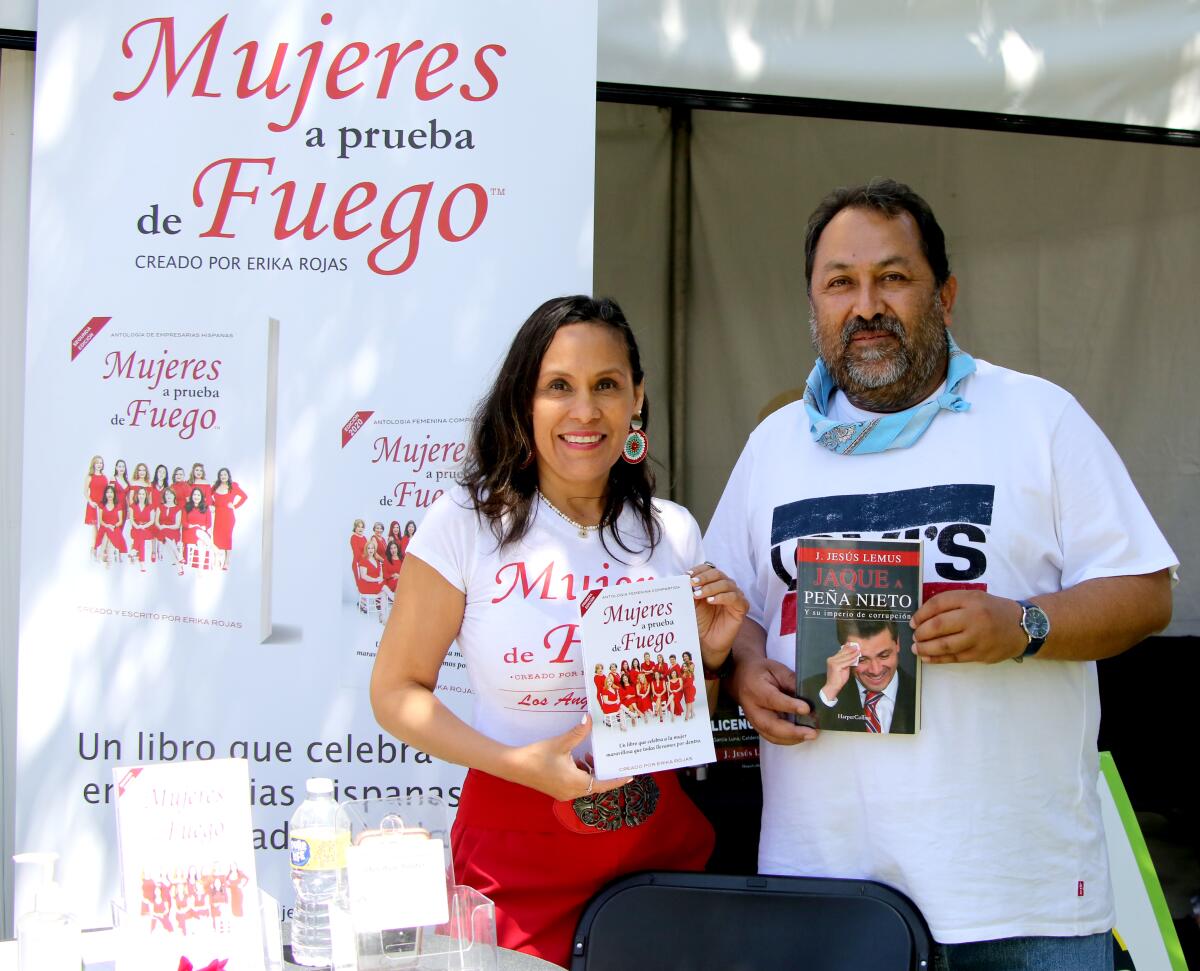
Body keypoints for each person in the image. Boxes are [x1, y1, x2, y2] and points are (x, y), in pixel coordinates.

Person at [703, 179, 1177, 971]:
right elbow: (735, 607)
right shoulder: (775, 446)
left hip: (1016, 896)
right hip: (825, 888)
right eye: (840, 283)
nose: (866, 305)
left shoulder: (1037, 417)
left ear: (945, 294)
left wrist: (1024, 625)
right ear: (813, 306)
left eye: (893, 277)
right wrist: (748, 666)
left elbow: (1146, 590)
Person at [370, 295, 747, 968]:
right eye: (559, 387)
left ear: (638, 398)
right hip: (512, 870)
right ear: (524, 403)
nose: (585, 410)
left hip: (654, 866)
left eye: (606, 384)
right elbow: (396, 691)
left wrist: (712, 658)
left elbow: (679, 723)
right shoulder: (465, 522)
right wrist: (515, 765)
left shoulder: (673, 532)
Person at [797, 616, 914, 734]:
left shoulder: (920, 691)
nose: (876, 670)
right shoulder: (811, 689)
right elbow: (804, 733)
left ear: (897, 643)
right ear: (843, 652)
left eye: (884, 656)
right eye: (862, 659)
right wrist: (831, 690)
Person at [210, 467, 247, 571]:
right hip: (218, 515)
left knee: (227, 537)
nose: (223, 477)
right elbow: (208, 496)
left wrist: (235, 506)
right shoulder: (215, 486)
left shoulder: (233, 486)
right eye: (221, 475)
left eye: (225, 475)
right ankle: (218, 559)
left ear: (228, 476)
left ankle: (227, 560)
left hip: (228, 516)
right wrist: (212, 505)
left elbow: (244, 496)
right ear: (219, 476)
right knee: (216, 536)